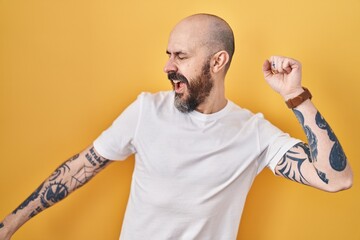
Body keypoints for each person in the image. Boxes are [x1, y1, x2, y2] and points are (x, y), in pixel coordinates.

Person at [0, 13, 353, 240]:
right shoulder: (145, 110)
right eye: (168, 55)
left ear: (218, 61)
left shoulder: (254, 133)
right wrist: (10, 225)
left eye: (180, 56)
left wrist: (295, 96)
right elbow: (83, 165)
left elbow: (337, 179)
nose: (168, 66)